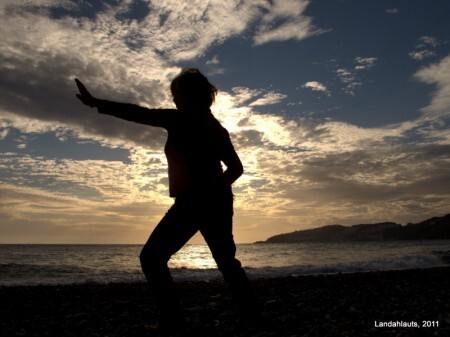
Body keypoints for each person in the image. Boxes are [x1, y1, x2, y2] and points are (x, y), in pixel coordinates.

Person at [75, 69, 259, 334]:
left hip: (195, 201)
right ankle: (253, 317)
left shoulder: (183, 119)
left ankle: (173, 322)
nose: (173, 100)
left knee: (151, 258)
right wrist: (215, 190)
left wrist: (96, 103)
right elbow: (235, 169)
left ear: (188, 96)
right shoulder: (216, 127)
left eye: (176, 95)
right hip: (216, 201)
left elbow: (140, 113)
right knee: (226, 262)